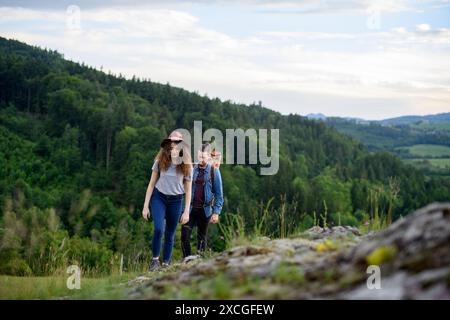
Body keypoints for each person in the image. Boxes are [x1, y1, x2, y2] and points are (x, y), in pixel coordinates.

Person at [142, 130, 193, 272]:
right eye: (171, 144)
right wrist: (145, 206)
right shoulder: (159, 161)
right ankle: (154, 261)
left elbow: (188, 190)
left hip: (176, 200)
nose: (173, 147)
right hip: (159, 198)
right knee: (159, 229)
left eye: (177, 144)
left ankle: (165, 263)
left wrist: (187, 211)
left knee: (170, 234)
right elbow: (151, 184)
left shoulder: (187, 165)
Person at [181, 143, 223, 258]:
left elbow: (219, 194)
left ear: (209, 156)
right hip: (189, 209)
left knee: (201, 238)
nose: (201, 160)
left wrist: (216, 212)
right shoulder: (191, 168)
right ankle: (187, 260)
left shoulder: (214, 171)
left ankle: (199, 261)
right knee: (184, 236)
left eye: (203, 157)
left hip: (205, 210)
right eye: (199, 157)